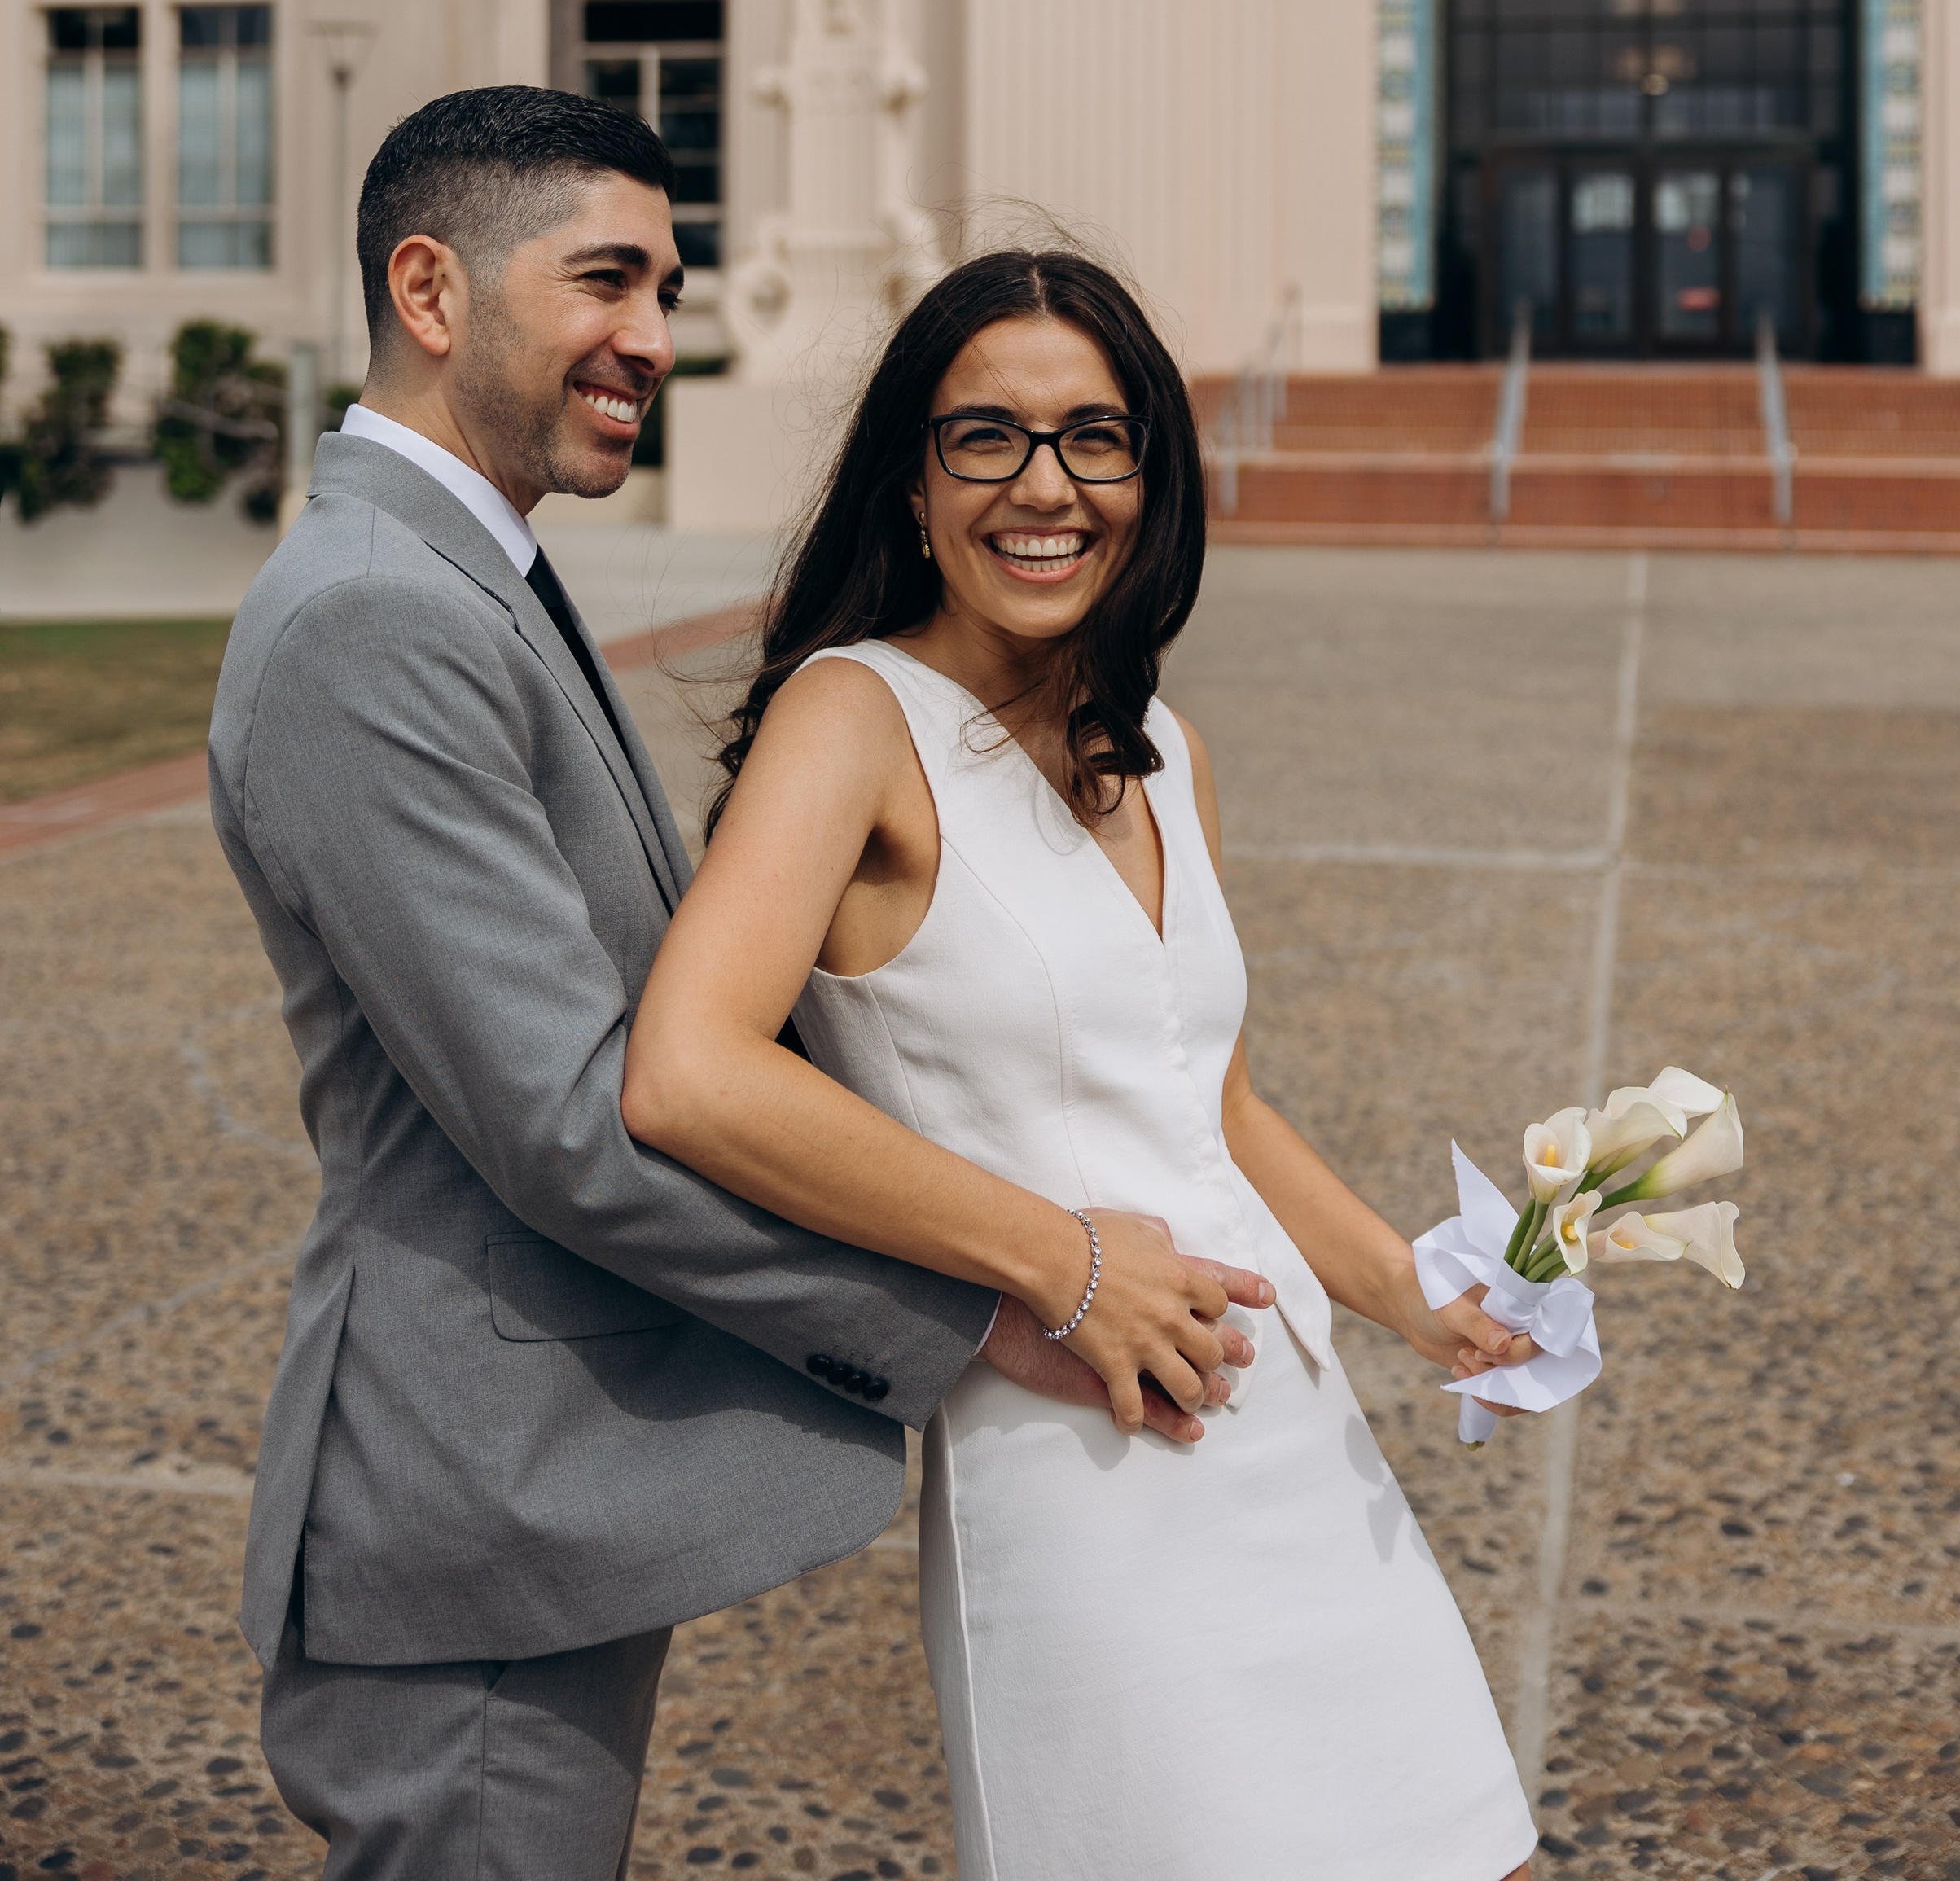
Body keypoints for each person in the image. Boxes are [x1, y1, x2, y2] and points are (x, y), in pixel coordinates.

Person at [208, 94, 1267, 1881]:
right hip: (471, 1499)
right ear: (430, 287)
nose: (653, 335)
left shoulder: (477, 572)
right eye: (604, 280)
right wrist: (1006, 1288)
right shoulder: (373, 617)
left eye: (668, 285)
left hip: (530, 1480)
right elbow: (567, 1118)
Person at [624, 248, 1543, 1881]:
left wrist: (1416, 1294)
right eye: (983, 437)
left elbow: (1215, 1103)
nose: (1041, 486)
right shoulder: (848, 719)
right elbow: (688, 1075)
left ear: (1146, 478)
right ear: (912, 483)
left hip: (1298, 1445)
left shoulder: (1163, 740)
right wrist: (1066, 1262)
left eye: (1090, 438)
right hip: (1086, 1445)